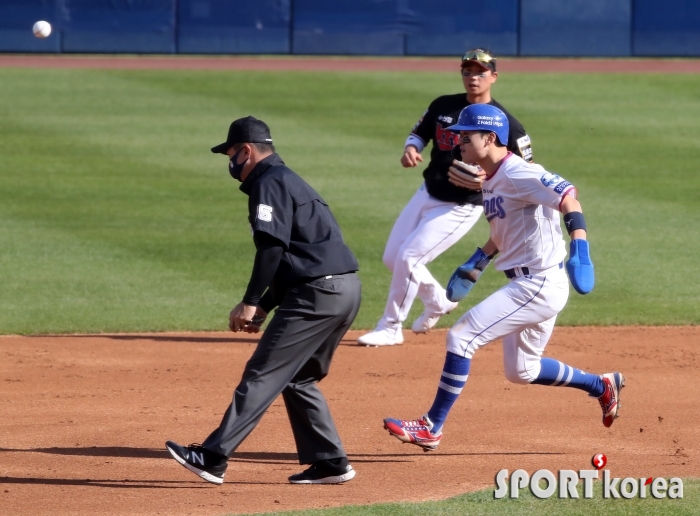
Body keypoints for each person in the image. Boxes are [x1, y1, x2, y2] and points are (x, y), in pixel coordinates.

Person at [382, 104, 624, 451]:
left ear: (490, 137)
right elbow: (504, 231)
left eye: (466, 137)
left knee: (461, 337)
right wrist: (478, 262)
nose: (458, 144)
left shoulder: (519, 173)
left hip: (539, 284)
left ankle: (431, 426)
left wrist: (580, 249)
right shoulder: (491, 179)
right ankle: (601, 386)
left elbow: (568, 197)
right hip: (528, 282)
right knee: (521, 371)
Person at [166, 116, 361, 484]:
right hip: (345, 291)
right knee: (298, 378)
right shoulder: (290, 180)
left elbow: (273, 248)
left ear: (247, 150)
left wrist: (251, 301)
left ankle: (212, 457)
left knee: (263, 373)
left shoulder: (268, 182)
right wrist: (269, 305)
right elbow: (302, 255)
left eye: (229, 153)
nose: (229, 162)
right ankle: (331, 461)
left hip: (316, 295)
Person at [358, 48, 533, 347]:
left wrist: (489, 181)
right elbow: (419, 133)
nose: (473, 78)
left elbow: (525, 173)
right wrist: (410, 149)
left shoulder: (506, 123)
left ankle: (390, 326)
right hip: (427, 193)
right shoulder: (443, 106)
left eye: (480, 72)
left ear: (494, 77)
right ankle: (439, 300)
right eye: (468, 71)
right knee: (393, 258)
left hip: (461, 206)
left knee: (409, 257)